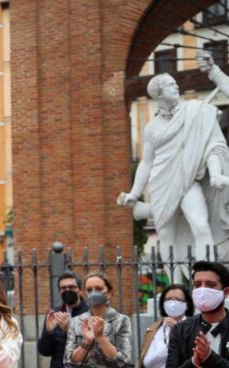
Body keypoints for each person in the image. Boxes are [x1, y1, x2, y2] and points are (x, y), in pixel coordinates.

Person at [119, 51, 229, 263]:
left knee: (200, 225)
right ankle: (176, 283)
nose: (176, 86)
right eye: (170, 84)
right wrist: (135, 192)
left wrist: (214, 72)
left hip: (189, 182)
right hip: (162, 182)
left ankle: (205, 276)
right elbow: (147, 162)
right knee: (167, 236)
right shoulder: (152, 128)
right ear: (159, 94)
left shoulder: (194, 110)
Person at [166, 261, 229, 368]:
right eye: (197, 285)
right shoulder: (180, 330)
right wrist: (193, 362)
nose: (202, 291)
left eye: (210, 285)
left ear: (226, 292)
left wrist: (210, 358)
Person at [64, 273, 133, 368]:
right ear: (84, 294)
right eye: (89, 290)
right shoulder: (76, 321)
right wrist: (87, 342)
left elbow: (125, 362)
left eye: (99, 289)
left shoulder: (122, 320)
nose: (93, 293)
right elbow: (68, 363)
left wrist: (100, 338)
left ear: (109, 293)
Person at [38, 271, 89, 368]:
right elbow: (44, 351)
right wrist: (48, 333)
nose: (67, 290)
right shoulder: (54, 314)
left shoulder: (90, 313)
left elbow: (92, 350)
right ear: (59, 291)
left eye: (72, 287)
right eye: (63, 288)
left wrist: (69, 330)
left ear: (79, 289)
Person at [140, 284, 193, 368]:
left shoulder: (193, 327)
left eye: (178, 299)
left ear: (187, 304)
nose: (172, 303)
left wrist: (178, 331)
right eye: (168, 299)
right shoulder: (153, 328)